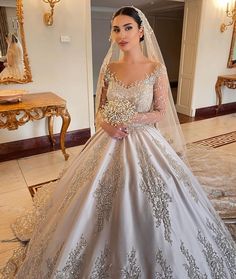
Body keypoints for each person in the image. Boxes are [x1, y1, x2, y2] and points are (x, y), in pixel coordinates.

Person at [1, 6, 236, 279]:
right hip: (107, 139)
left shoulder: (155, 69)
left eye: (127, 28)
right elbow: (100, 108)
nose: (121, 34)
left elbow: (160, 111)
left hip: (144, 141)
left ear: (140, 32)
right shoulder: (110, 69)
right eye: (116, 29)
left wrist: (129, 119)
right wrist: (107, 125)